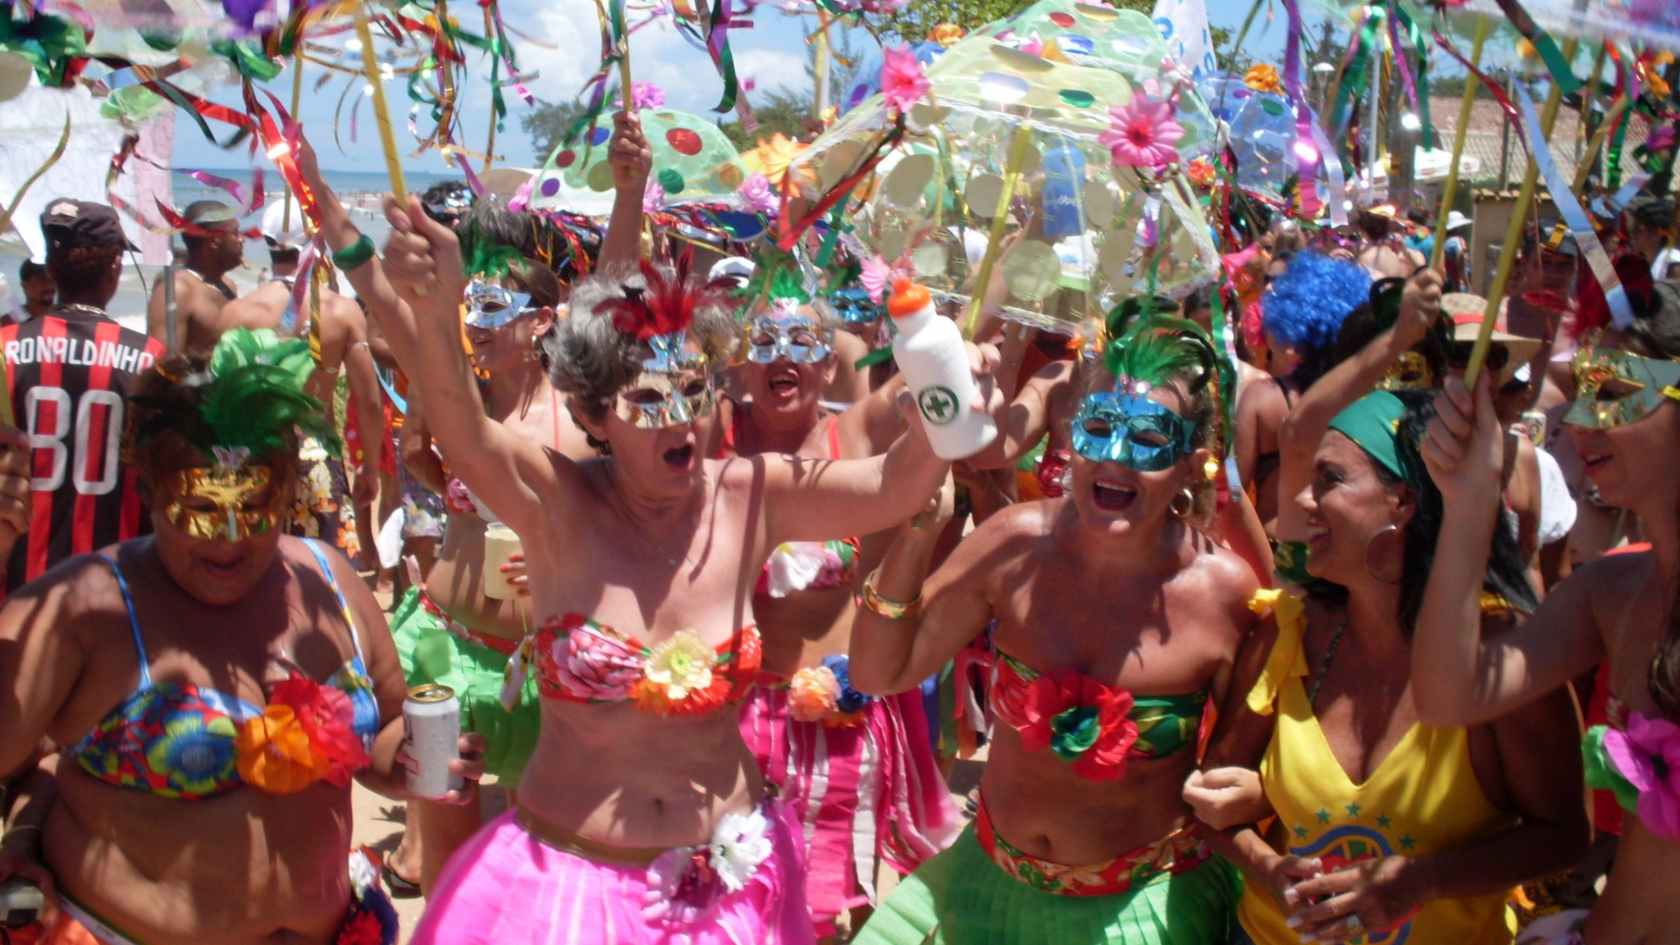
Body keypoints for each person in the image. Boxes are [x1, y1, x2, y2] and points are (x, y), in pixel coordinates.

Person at [301, 123, 982, 942]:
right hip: (571, 887)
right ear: (595, 416)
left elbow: (895, 486)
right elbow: (460, 425)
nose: (682, 418)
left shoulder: (751, 495)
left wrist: (941, 380)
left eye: (693, 390)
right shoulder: (556, 504)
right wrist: (436, 302)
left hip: (729, 888)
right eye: (649, 400)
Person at [0, 328, 484, 945]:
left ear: (285, 493)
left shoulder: (330, 582)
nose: (229, 540)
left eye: (254, 506)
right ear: (150, 492)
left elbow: (386, 728)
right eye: (199, 509)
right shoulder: (86, 609)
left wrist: (417, 756)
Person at [848, 314, 1256, 945]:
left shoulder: (1226, 596)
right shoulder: (1014, 545)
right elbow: (879, 672)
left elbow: (1246, 776)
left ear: (1189, 466)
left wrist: (1254, 790)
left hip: (1141, 913)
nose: (1115, 457)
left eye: (1149, 438)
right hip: (984, 888)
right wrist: (917, 533)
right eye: (1099, 427)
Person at [1185, 387, 1589, 945]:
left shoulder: (1502, 657)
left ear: (1405, 501)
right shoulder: (1287, 631)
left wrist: (1420, 881)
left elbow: (1563, 834)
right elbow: (1210, 804)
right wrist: (1268, 867)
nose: (1300, 501)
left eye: (1329, 479)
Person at [1414, 281, 1680, 945]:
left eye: (1614, 392)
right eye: (1582, 390)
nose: (1579, 421)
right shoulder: (1611, 591)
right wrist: (1469, 502)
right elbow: (1449, 696)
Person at [380, 234, 587, 897]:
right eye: (470, 306)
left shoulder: (584, 421)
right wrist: (457, 501)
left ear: (543, 320)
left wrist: (563, 553)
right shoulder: (457, 399)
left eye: (493, 307)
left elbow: (623, 523)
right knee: (445, 840)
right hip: (442, 653)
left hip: (547, 669)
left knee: (544, 846)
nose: (474, 321)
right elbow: (416, 450)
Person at [1, 200, 165, 594]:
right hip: (114, 586)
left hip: (17, 586)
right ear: (115, 267)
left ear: (51, 268)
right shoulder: (151, 361)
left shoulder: (4, 349)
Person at [219, 208, 384, 561]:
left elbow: (220, 397)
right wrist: (369, 466)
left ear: (266, 242)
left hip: (255, 456)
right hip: (315, 453)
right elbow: (368, 399)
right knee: (321, 570)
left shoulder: (236, 312)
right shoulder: (341, 311)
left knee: (258, 568)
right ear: (313, 242)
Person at [1237, 253, 1370, 533]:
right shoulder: (1365, 401)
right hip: (1346, 550)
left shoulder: (1265, 399)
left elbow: (1234, 498)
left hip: (1280, 546)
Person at [146, 200, 242, 356]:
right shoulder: (178, 291)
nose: (242, 239)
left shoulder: (228, 286)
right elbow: (162, 363)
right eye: (235, 233)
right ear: (214, 241)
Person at [14, 259, 54, 324]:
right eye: (42, 281)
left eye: (52, 280)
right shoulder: (9, 323)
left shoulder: (65, 316)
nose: (49, 286)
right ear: (25, 286)